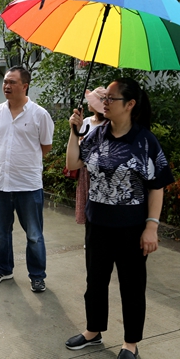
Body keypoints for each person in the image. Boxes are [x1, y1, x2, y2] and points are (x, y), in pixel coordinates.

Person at [64, 78, 174, 359]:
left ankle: (131, 344)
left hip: (131, 228)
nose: (105, 103)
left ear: (130, 104)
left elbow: (157, 186)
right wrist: (74, 131)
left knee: (132, 285)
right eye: (105, 98)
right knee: (95, 281)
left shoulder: (145, 141)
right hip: (97, 224)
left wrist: (151, 226)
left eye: (111, 98)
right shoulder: (97, 134)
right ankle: (93, 331)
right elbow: (73, 163)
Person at [0, 65, 54, 293]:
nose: (6, 85)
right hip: (0, 184)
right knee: (2, 234)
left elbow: (45, 146)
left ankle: (37, 276)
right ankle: (3, 269)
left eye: (12, 82)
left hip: (28, 186)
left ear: (25, 86)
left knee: (34, 235)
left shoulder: (39, 114)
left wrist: (25, 163)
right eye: (5, 81)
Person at [75, 87, 107, 225]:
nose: (88, 102)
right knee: (86, 201)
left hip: (100, 171)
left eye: (92, 101)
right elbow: (78, 141)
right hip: (85, 168)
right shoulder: (86, 121)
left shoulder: (107, 124)